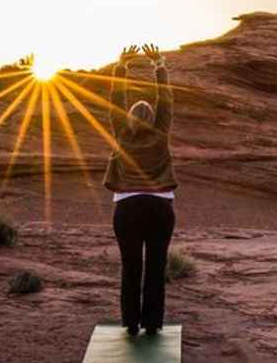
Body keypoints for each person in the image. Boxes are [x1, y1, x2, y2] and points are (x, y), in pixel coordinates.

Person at [104, 44, 178, 336]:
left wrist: (121, 67)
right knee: (156, 268)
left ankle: (131, 323)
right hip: (160, 208)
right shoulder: (160, 133)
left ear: (130, 117)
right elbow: (166, 102)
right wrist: (158, 65)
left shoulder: (122, 132)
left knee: (131, 266)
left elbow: (115, 99)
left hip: (127, 208)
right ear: (153, 118)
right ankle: (151, 324)